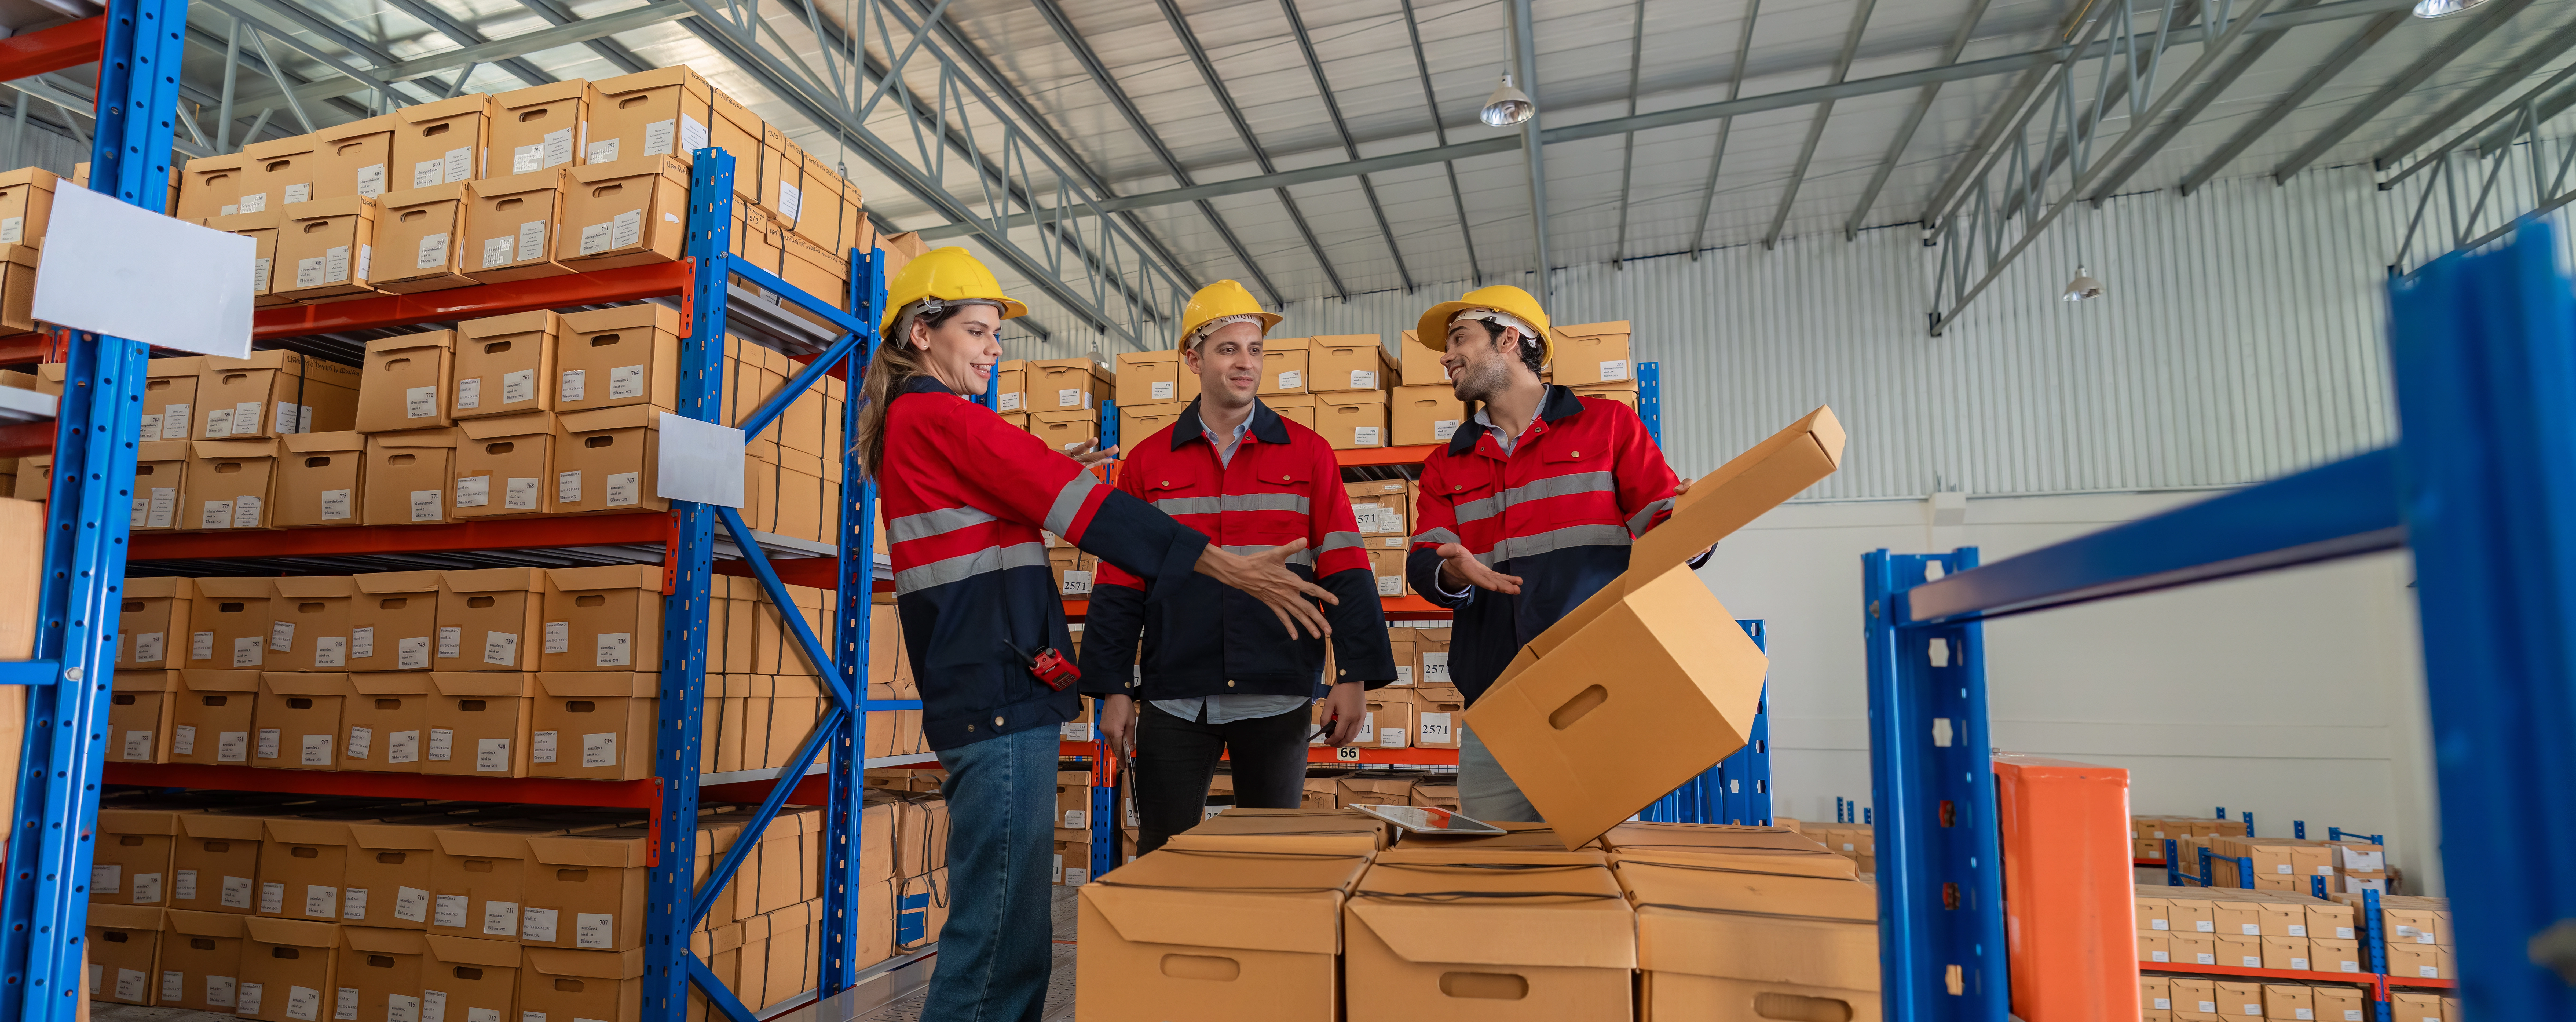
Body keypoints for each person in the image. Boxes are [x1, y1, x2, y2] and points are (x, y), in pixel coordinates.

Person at [855, 249, 1340, 1021]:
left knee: (1012, 929)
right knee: (997, 936)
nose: (993, 348)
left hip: (988, 684)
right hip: (996, 691)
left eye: (996, 335)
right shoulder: (942, 415)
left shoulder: (920, 422)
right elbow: (1089, 512)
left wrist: (1038, 476)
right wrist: (1225, 566)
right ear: (922, 333)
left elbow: (997, 507)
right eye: (977, 331)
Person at [1078, 280, 1399, 856]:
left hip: (1277, 693)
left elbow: (1346, 566)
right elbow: (1120, 584)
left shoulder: (1309, 454)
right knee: (1164, 857)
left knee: (1270, 859)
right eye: (1229, 349)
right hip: (1176, 696)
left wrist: (1354, 674)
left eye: (1255, 349)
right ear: (1194, 359)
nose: (1245, 363)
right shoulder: (1148, 463)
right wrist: (1114, 689)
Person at [1403, 285, 1700, 823]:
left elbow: (1666, 525)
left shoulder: (1608, 426)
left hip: (1597, 692)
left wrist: (1697, 523)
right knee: (1496, 859)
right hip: (1496, 700)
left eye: (1460, 338)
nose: (1447, 356)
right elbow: (1424, 558)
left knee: (1599, 859)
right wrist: (1453, 569)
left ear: (1509, 340)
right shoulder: (1449, 462)